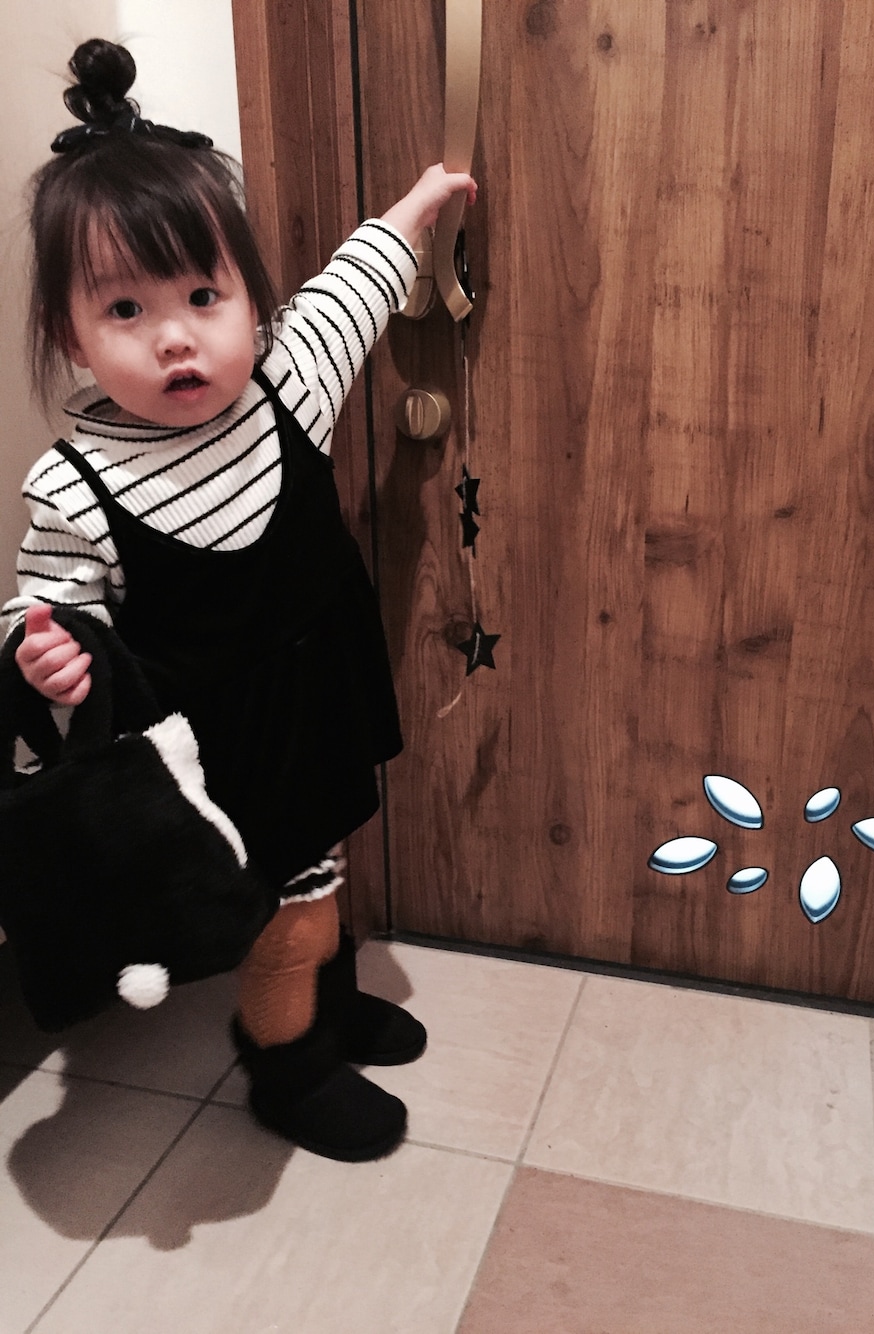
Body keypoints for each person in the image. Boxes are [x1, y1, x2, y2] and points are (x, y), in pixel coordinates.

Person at [1, 37, 475, 1162]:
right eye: (126, 309)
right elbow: (41, 612)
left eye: (204, 296)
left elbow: (354, 289)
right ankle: (287, 1063)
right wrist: (45, 659)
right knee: (287, 911)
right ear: (71, 335)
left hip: (318, 702)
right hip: (216, 754)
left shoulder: (285, 385)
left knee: (327, 862)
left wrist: (418, 207)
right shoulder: (75, 482)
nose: (176, 335)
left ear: (251, 302)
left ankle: (331, 1006)